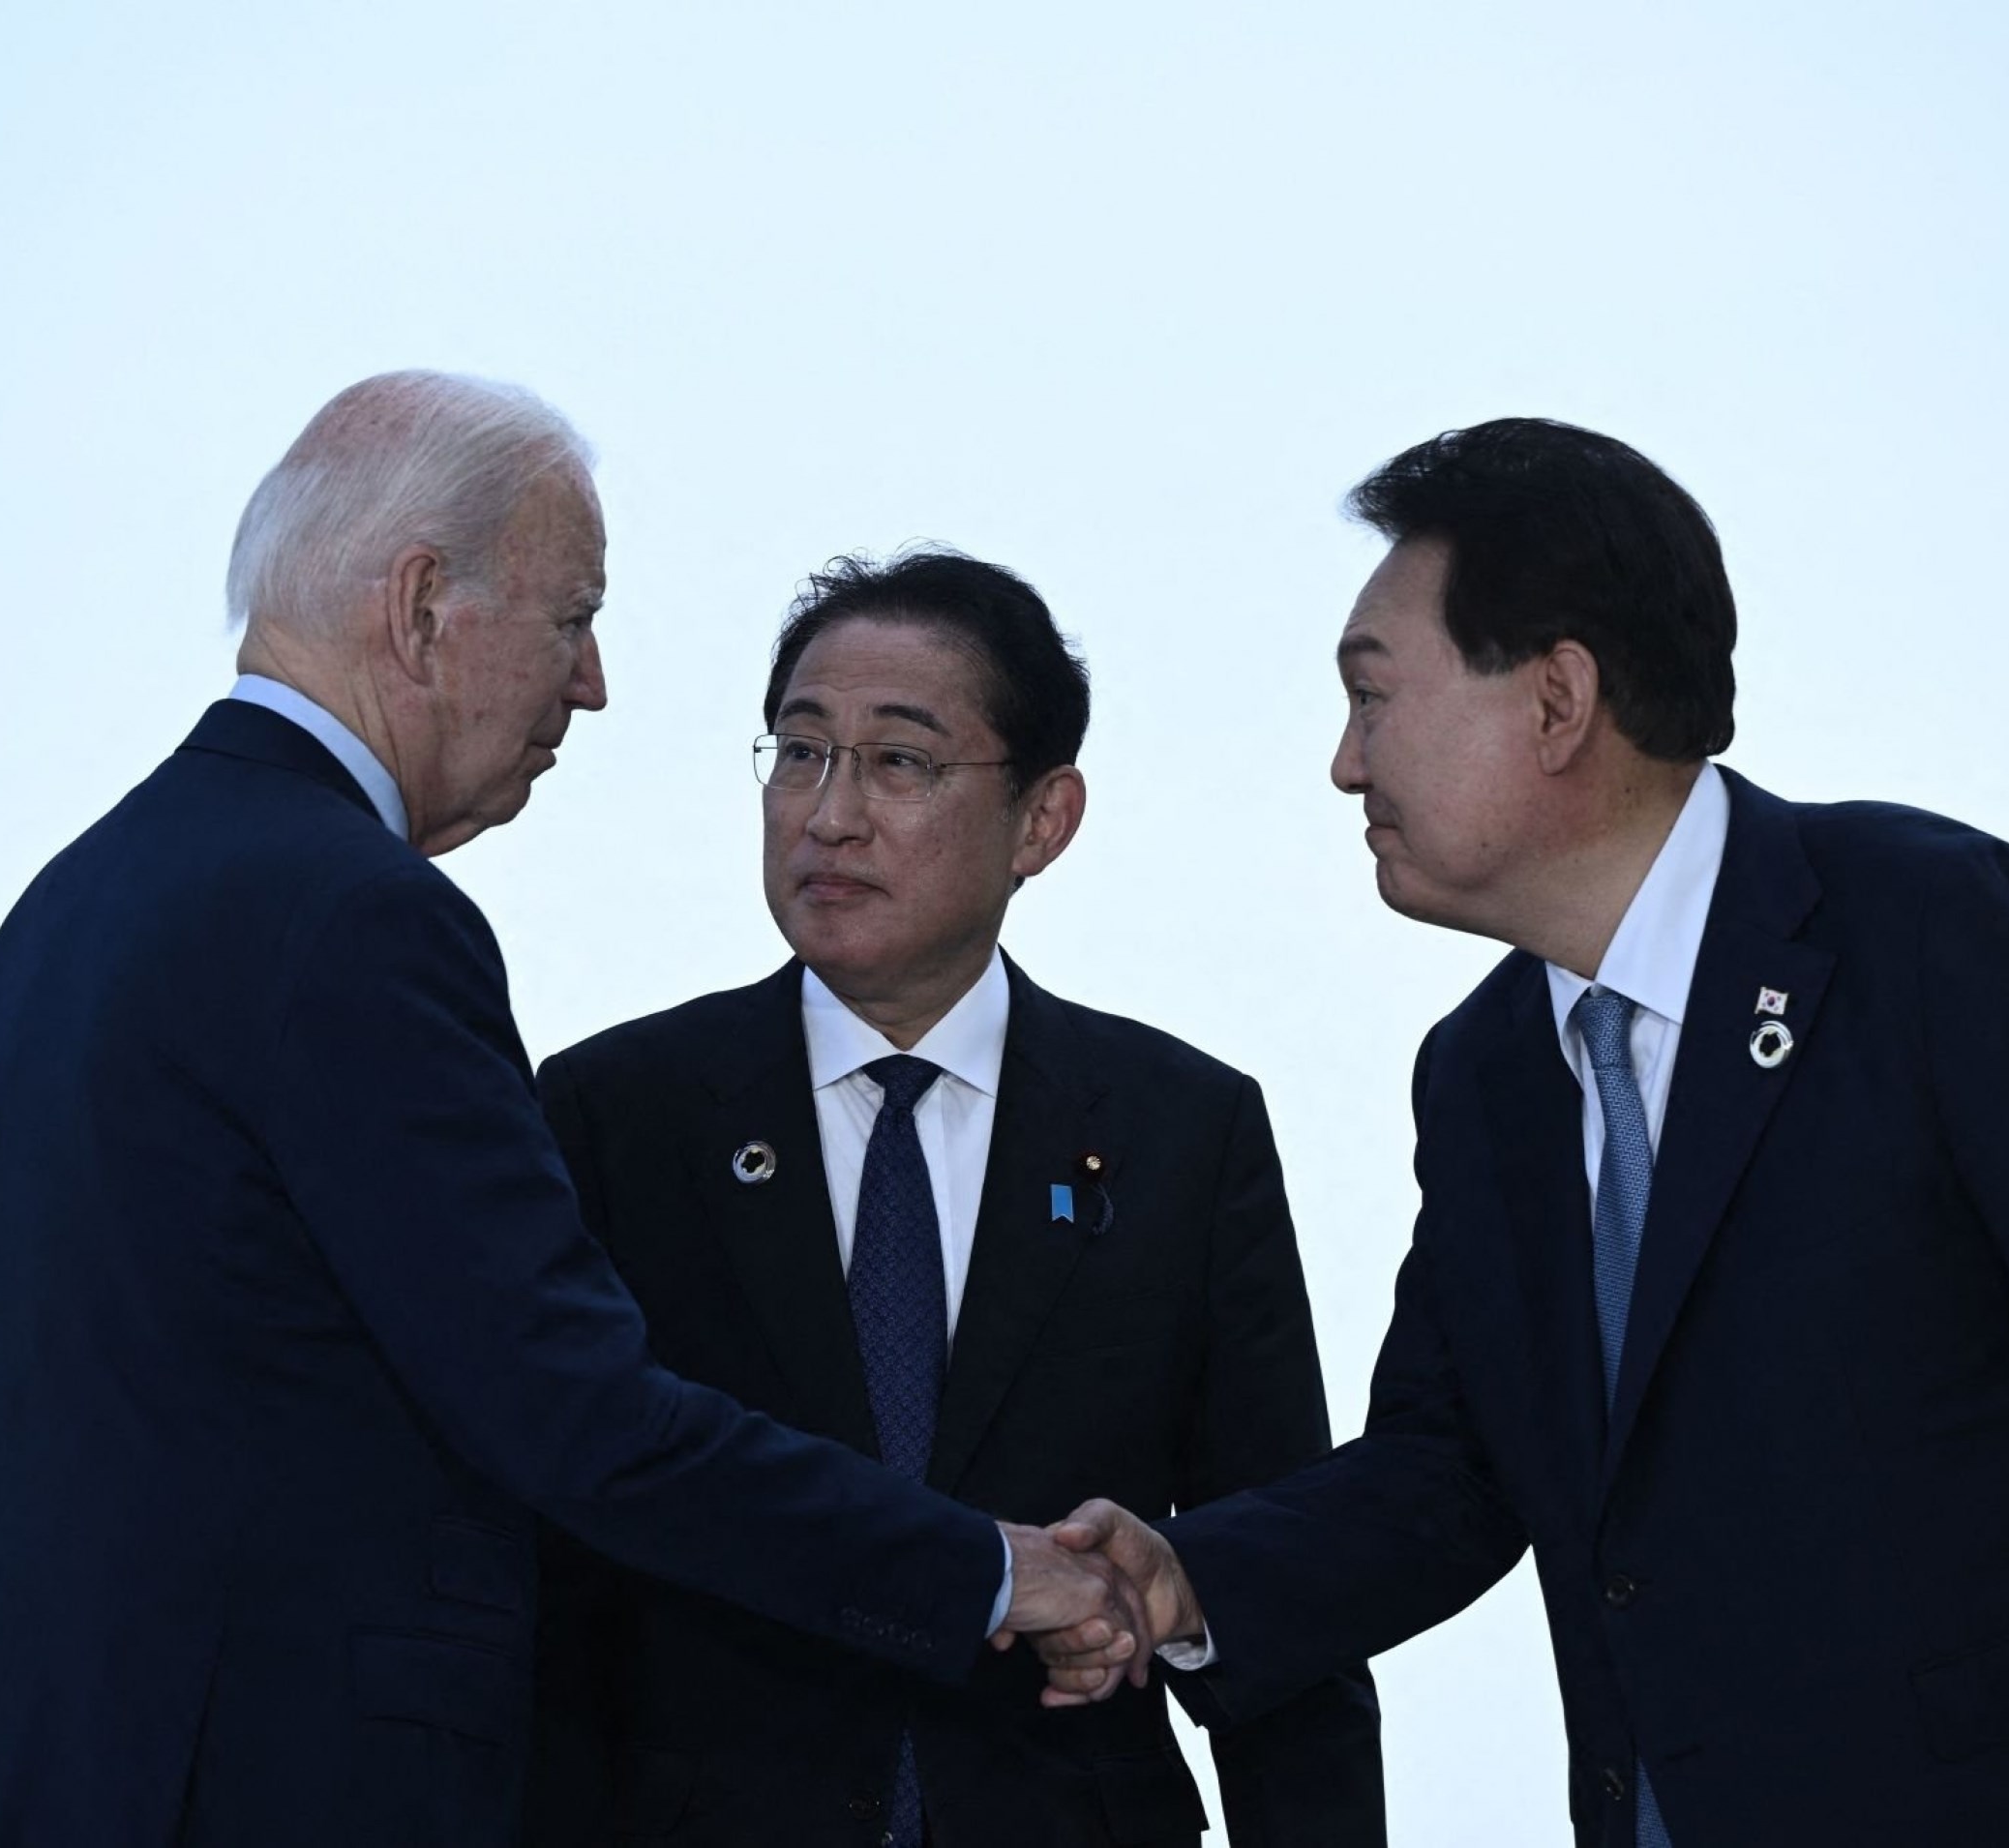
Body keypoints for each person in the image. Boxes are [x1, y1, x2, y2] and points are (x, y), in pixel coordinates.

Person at [1036, 420, 2009, 1847]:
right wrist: (1187, 1577)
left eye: (1374, 697)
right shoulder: (1485, 1076)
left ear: (1557, 700)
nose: (1347, 764)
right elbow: (1455, 1467)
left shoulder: (1936, 931)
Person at [0, 373, 1143, 1848]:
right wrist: (988, 1571)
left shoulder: (69, 904)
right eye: (572, 617)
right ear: (425, 605)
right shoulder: (360, 919)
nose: (593, 680)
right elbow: (577, 1415)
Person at [523, 550, 1385, 1848]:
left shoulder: (1176, 1130)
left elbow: (1277, 1581)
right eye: (800, 751)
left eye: (900, 762)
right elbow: (556, 1567)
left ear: (1043, 817)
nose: (828, 814)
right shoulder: (618, 1112)